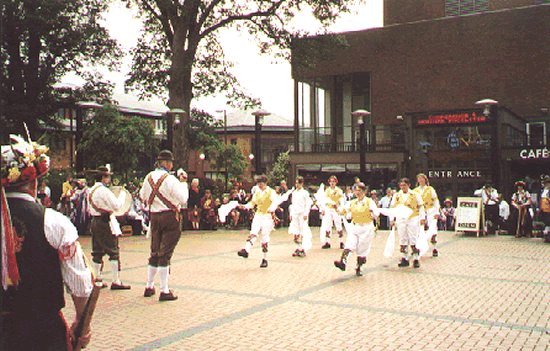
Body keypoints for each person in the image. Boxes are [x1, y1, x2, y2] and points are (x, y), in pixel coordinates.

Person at [1, 135, 93, 350]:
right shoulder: (55, 222)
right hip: (42, 333)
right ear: (34, 183)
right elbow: (80, 284)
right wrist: (82, 325)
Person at [139, 150, 189, 301]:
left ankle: (149, 286)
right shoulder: (171, 179)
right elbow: (183, 198)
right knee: (165, 253)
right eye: (171, 162)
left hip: (154, 217)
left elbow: (142, 197)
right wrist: (183, 182)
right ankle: (164, 290)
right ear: (167, 163)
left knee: (154, 251)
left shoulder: (148, 177)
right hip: (169, 217)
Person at [88, 166, 130, 290]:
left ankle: (97, 280)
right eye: (108, 176)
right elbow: (117, 206)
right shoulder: (103, 191)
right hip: (105, 221)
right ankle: (116, 281)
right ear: (103, 177)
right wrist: (122, 194)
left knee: (97, 252)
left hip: (95, 221)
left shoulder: (90, 190)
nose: (109, 179)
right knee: (113, 251)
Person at [333, 182, 379, 276]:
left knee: (362, 248)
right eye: (356, 190)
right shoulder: (352, 202)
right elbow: (344, 211)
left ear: (364, 191)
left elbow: (376, 214)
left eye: (359, 190)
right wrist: (337, 209)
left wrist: (372, 213)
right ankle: (343, 262)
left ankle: (359, 266)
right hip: (355, 226)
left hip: (366, 227)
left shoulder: (369, 202)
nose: (357, 193)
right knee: (350, 244)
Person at [237, 175, 278, 268]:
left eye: (261, 183)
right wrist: (245, 206)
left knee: (264, 238)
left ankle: (264, 258)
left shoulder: (271, 192)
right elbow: (252, 203)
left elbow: (275, 202)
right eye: (258, 183)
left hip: (267, 217)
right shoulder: (257, 192)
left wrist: (271, 208)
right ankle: (246, 250)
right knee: (253, 232)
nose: (259, 185)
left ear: (265, 183)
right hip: (258, 215)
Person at [391, 178, 425, 268]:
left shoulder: (415, 194)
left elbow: (421, 206)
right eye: (401, 185)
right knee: (403, 238)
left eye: (404, 185)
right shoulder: (397, 195)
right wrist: (392, 219)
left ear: (409, 185)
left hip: (413, 218)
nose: (403, 187)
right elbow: (393, 207)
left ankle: (416, 258)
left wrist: (422, 217)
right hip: (401, 219)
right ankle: (404, 258)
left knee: (413, 238)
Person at [414, 173, 440, 257]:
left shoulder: (430, 189)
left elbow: (436, 201)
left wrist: (437, 212)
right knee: (418, 229)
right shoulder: (415, 191)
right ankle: (418, 246)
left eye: (422, 178)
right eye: (419, 179)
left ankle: (434, 248)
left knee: (432, 229)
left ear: (425, 180)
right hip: (420, 211)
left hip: (430, 210)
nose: (421, 180)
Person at [289, 176, 313, 257]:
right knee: (295, 231)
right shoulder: (294, 192)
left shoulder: (305, 193)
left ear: (302, 183)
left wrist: (306, 213)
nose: (297, 185)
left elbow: (308, 204)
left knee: (303, 231)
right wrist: (291, 214)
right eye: (296, 183)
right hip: (295, 214)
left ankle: (303, 249)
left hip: (302, 214)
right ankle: (298, 248)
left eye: (298, 183)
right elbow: (293, 204)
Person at [320, 175, 345, 249]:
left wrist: (340, 208)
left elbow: (342, 200)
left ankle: (341, 241)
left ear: (336, 182)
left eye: (333, 181)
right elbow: (324, 200)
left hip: (336, 210)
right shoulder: (327, 190)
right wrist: (323, 209)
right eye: (331, 181)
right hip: (328, 209)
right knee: (328, 225)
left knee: (338, 225)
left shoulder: (339, 191)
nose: (332, 183)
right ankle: (327, 242)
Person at [539, 176, 550, 243]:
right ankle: (546, 236)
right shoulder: (543, 191)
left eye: (547, 183)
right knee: (546, 222)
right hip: (544, 209)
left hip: (549, 208)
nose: (546, 184)